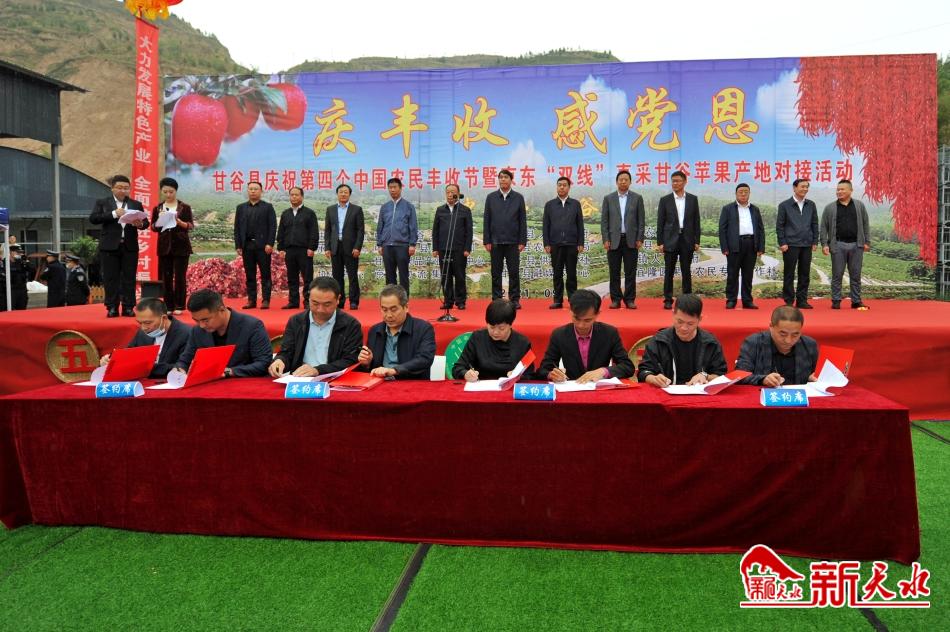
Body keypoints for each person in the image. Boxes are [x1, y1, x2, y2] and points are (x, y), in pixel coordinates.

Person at [268, 276, 363, 378]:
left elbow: (350, 360)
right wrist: (280, 360)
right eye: (315, 303)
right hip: (299, 378)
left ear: (338, 299)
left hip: (333, 379)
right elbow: (286, 352)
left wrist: (318, 370)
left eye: (327, 304)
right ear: (309, 298)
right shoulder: (296, 321)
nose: (320, 309)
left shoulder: (350, 325)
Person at [539, 289, 634, 383]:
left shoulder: (609, 333)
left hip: (598, 388)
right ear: (570, 312)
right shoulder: (560, 335)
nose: (581, 325)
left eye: (587, 320)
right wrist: (551, 374)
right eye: (576, 318)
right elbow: (544, 368)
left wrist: (603, 371)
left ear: (597, 314)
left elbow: (627, 366)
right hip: (572, 387)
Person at [173, 288, 272, 378]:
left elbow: (263, 363)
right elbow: (184, 361)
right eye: (196, 320)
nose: (201, 325)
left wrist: (230, 372)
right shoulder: (197, 331)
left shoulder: (252, 326)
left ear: (221, 310)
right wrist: (180, 369)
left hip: (244, 385)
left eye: (206, 320)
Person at [89, 174, 148, 317]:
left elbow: (145, 222)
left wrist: (140, 224)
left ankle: (128, 307)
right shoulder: (103, 202)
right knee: (110, 278)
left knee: (129, 278)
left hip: (129, 246)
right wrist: (114, 214)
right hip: (109, 246)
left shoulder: (135, 204)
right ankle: (112, 307)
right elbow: (94, 218)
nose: (123, 191)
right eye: (120, 188)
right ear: (112, 188)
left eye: (126, 188)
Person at [637, 293, 728, 387]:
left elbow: (721, 376)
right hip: (666, 392)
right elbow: (643, 372)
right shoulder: (659, 341)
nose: (684, 328)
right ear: (673, 314)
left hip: (699, 394)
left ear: (700, 319)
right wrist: (653, 378)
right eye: (679, 322)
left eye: (690, 324)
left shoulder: (710, 343)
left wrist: (705, 376)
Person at [99, 297, 192, 378]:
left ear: (164, 318)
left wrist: (143, 368)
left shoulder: (186, 334)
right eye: (140, 323)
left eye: (148, 323)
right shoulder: (143, 333)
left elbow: (181, 367)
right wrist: (111, 361)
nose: (143, 327)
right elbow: (129, 354)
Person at [357, 284, 435, 379]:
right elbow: (370, 370)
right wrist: (367, 363)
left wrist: (394, 371)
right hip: (380, 384)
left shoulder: (423, 329)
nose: (389, 315)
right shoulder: (375, 331)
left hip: (411, 384)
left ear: (406, 307)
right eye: (384, 310)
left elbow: (424, 359)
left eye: (393, 310)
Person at [452, 299, 534, 381]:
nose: (495, 332)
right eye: (491, 327)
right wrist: (465, 374)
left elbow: (530, 374)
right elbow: (457, 368)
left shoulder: (522, 343)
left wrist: (519, 377)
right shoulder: (477, 338)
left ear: (510, 324)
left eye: (501, 328)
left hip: (511, 388)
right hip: (481, 386)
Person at [736, 305, 819, 386]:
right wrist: (762, 379)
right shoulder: (754, 343)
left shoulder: (809, 345)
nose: (788, 340)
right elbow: (739, 376)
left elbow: (816, 374)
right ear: (771, 326)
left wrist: (813, 378)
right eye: (783, 334)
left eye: (795, 335)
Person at [821, 179, 871, 310]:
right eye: (838, 189)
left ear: (850, 190)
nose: (839, 191)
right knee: (837, 275)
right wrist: (824, 244)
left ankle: (856, 301)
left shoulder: (859, 206)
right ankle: (836, 300)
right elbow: (824, 227)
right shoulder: (830, 208)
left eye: (842, 189)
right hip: (838, 245)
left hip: (856, 245)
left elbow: (865, 224)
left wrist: (867, 241)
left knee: (856, 275)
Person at [600, 169, 645, 309]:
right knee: (614, 272)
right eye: (621, 179)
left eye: (626, 179)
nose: (623, 182)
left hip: (631, 240)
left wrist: (640, 238)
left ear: (630, 182)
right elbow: (604, 221)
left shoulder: (637, 198)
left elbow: (641, 220)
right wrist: (606, 239)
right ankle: (616, 299)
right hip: (613, 240)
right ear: (617, 182)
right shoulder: (608, 198)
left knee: (630, 272)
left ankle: (630, 299)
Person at [483, 168, 527, 308]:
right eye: (501, 177)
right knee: (496, 272)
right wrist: (487, 240)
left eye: (506, 177)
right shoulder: (491, 197)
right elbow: (487, 219)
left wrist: (522, 241)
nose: (503, 179)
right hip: (495, 242)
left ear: (511, 180)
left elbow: (522, 221)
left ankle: (514, 299)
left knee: (513, 272)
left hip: (513, 242)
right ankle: (496, 299)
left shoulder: (518, 198)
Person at [656, 170, 700, 309]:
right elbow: (660, 222)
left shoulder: (692, 199)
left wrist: (697, 240)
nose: (675, 183)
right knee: (669, 271)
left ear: (685, 182)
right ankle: (668, 299)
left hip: (687, 239)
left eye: (678, 181)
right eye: (673, 181)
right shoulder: (665, 200)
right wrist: (660, 242)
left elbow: (696, 221)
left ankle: (687, 299)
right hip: (670, 240)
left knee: (686, 270)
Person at [718, 183, 765, 310]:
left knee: (748, 274)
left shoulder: (755, 209)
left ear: (749, 193)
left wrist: (761, 247)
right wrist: (724, 247)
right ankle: (731, 300)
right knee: (732, 274)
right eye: (740, 192)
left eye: (746, 192)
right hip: (734, 244)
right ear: (736, 194)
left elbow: (760, 229)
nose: (743, 194)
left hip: (751, 244)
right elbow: (722, 229)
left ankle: (747, 301)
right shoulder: (728, 209)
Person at [152, 177, 194, 315]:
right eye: (165, 192)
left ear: (176, 191)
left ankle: (180, 305)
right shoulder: (158, 208)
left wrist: (180, 222)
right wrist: (160, 221)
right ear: (161, 191)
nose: (168, 194)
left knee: (180, 276)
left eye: (171, 192)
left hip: (181, 246)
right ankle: (168, 306)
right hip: (164, 247)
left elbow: (190, 225)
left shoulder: (184, 207)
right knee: (167, 277)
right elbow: (153, 227)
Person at [776, 178, 818, 309]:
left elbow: (815, 224)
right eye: (802, 186)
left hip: (807, 244)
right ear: (794, 188)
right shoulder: (784, 205)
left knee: (804, 273)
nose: (805, 189)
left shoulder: (811, 205)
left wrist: (815, 241)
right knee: (789, 273)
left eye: (807, 187)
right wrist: (782, 242)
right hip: (790, 244)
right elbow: (780, 226)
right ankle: (789, 300)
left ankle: (802, 300)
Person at [543, 176, 585, 309]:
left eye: (564, 185)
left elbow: (580, 225)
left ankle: (573, 300)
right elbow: (546, 225)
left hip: (572, 244)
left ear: (569, 187)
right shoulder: (550, 205)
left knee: (571, 274)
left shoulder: (575, 204)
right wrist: (546, 243)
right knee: (557, 273)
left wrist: (580, 242)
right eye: (559, 185)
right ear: (557, 187)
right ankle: (558, 300)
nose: (561, 187)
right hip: (555, 244)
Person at [233, 181, 277, 309]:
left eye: (256, 189)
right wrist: (238, 245)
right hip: (247, 246)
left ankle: (266, 300)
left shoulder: (267, 207)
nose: (253, 191)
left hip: (263, 247)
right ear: (247, 191)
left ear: (261, 191)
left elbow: (273, 226)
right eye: (250, 189)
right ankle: (251, 300)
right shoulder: (241, 208)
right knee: (250, 274)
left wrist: (270, 243)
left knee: (265, 274)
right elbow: (237, 228)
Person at [432, 184, 473, 310]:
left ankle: (460, 301)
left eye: (453, 192)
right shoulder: (440, 210)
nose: (450, 194)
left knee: (460, 276)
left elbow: (469, 231)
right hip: (444, 249)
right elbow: (435, 230)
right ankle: (448, 301)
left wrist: (467, 248)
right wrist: (435, 248)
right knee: (446, 276)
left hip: (459, 250)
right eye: (448, 192)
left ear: (458, 194)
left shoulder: (465, 210)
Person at [276, 186, 318, 310]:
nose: (294, 197)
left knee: (307, 278)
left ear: (302, 197)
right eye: (292, 195)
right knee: (292, 277)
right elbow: (281, 232)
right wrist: (281, 248)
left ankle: (307, 302)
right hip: (289, 250)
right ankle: (293, 301)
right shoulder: (285, 214)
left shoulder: (309, 213)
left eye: (296, 195)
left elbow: (314, 232)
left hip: (304, 250)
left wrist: (312, 248)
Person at [324, 184, 364, 310]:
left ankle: (354, 301)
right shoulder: (330, 209)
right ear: (337, 194)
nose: (343, 194)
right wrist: (327, 247)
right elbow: (328, 230)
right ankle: (339, 301)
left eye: (346, 192)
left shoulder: (356, 210)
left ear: (349, 194)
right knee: (337, 276)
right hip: (335, 247)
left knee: (352, 276)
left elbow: (360, 230)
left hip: (351, 248)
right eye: (341, 192)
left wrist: (357, 247)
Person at [376, 178, 418, 295]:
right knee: (389, 276)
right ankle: (391, 299)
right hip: (387, 245)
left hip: (402, 245)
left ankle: (404, 301)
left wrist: (412, 244)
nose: (392, 190)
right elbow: (380, 226)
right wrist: (379, 244)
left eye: (395, 187)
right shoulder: (385, 207)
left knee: (403, 275)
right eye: (390, 187)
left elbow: (413, 226)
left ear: (400, 188)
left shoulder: (408, 206)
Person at [3, 244, 32, 311]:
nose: (19, 254)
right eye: (17, 252)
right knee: (10, 309)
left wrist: (26, 262)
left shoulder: (21, 262)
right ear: (11, 252)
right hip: (11, 289)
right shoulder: (5, 262)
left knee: (22, 309)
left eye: (20, 252)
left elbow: (31, 270)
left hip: (22, 289)